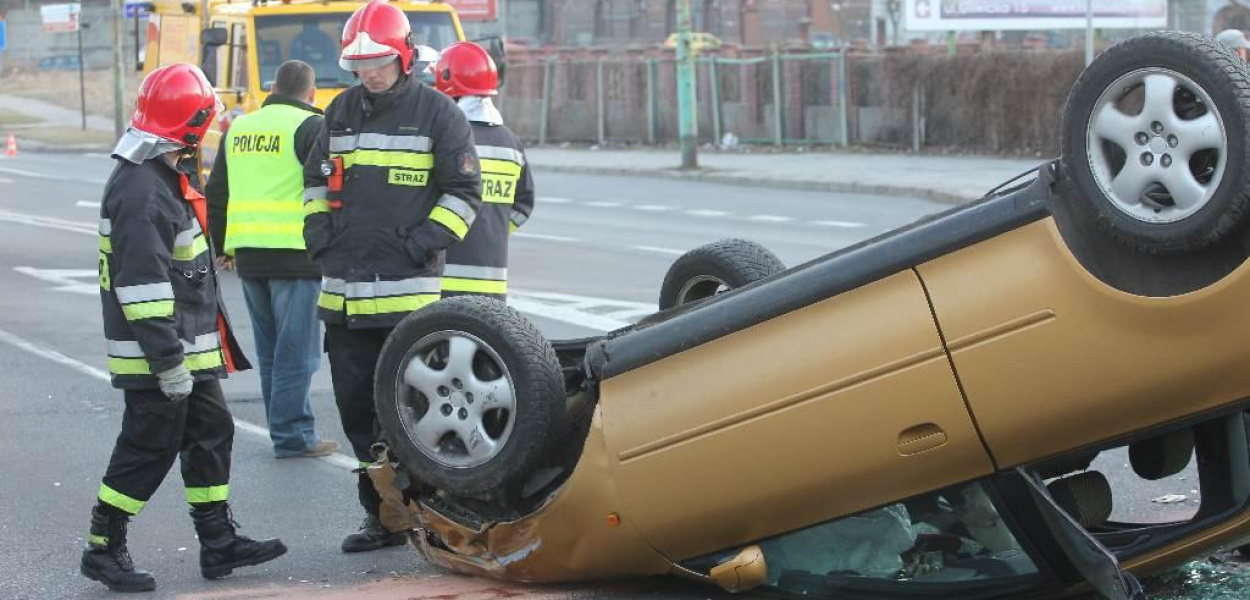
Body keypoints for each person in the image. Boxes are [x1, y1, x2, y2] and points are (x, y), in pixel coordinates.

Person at [84, 63, 286, 592]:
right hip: (160, 355)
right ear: (188, 127)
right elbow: (142, 285)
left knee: (212, 432)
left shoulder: (160, 174)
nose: (209, 133)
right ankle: (103, 547)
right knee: (148, 447)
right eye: (205, 124)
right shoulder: (142, 189)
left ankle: (218, 541)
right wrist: (168, 362)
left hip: (184, 350)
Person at [302, 0, 482, 553]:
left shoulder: (439, 115)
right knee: (360, 416)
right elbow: (314, 182)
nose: (368, 73)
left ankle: (438, 522)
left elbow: (464, 195)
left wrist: (418, 245)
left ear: (404, 56)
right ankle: (381, 518)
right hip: (345, 300)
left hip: (407, 299)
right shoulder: (339, 113)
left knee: (417, 418)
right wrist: (319, 237)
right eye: (358, 64)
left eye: (378, 61)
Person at [206, 60, 340, 460]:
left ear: (274, 88)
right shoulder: (311, 126)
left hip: (249, 255)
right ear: (311, 93)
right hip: (296, 255)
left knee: (271, 353)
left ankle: (284, 429)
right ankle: (292, 435)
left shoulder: (240, 128)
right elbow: (329, 191)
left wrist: (223, 247)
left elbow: (216, 193)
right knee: (298, 353)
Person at [434, 42, 535, 300]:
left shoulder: (446, 138)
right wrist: (495, 227)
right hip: (492, 278)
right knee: (490, 342)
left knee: (432, 340)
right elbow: (523, 205)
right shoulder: (511, 142)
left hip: (442, 277)